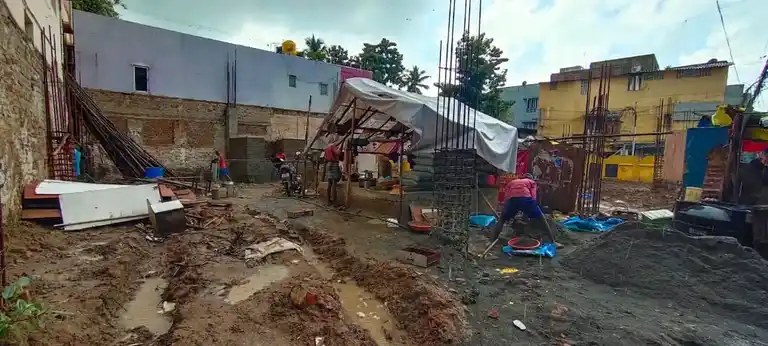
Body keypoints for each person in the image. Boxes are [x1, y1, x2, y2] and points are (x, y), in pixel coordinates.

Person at [488, 173, 560, 247]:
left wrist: (508, 211)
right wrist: (533, 209)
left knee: (502, 219)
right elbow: (533, 196)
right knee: (542, 218)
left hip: (512, 200)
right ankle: (553, 242)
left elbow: (507, 196)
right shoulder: (532, 182)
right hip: (525, 198)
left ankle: (492, 241)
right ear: (530, 178)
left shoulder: (512, 182)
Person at [324, 139, 343, 205]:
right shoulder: (333, 146)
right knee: (334, 183)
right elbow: (338, 153)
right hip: (334, 163)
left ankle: (328, 201)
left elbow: (325, 157)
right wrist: (340, 149)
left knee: (329, 183)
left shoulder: (326, 147)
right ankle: (335, 202)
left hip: (329, 164)